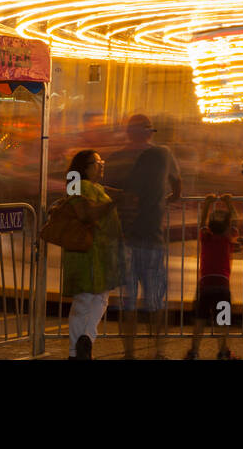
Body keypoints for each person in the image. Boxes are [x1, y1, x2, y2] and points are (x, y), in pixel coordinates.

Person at [106, 114, 182, 359]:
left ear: (128, 132)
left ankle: (129, 353)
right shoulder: (163, 155)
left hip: (124, 237)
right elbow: (177, 187)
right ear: (150, 133)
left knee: (127, 302)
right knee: (156, 300)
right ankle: (158, 351)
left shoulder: (116, 158)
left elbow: (107, 192)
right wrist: (164, 199)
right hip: (152, 236)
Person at [62, 150, 122, 360]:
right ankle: (76, 350)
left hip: (100, 253)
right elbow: (85, 214)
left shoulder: (95, 188)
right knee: (85, 301)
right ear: (85, 167)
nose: (102, 165)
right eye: (97, 162)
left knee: (100, 299)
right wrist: (114, 202)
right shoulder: (76, 185)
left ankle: (85, 341)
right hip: (85, 252)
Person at [185, 194, 239, 360]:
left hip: (205, 286)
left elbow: (202, 224)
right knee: (222, 322)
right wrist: (229, 203)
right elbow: (235, 221)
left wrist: (207, 205)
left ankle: (194, 351)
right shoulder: (227, 239)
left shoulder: (206, 238)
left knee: (200, 320)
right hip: (222, 287)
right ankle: (223, 351)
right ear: (227, 227)